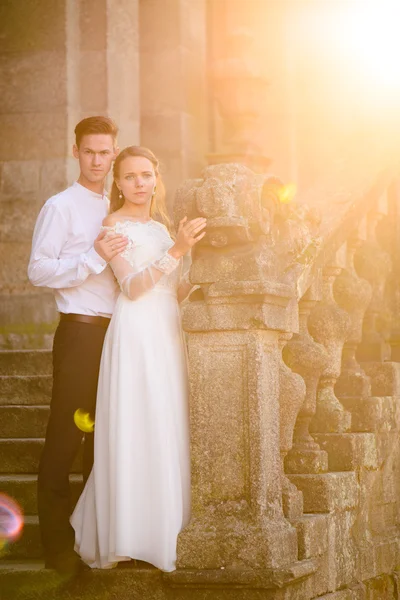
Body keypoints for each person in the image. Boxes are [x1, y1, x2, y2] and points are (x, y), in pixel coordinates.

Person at [70, 146, 206, 572]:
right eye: (130, 176)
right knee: (137, 420)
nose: (140, 183)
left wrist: (193, 271)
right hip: (134, 331)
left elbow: (172, 289)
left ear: (156, 178)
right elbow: (132, 286)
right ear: (118, 182)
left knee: (165, 420)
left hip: (167, 329)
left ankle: (164, 527)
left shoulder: (165, 228)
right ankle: (128, 534)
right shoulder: (112, 225)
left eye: (146, 174)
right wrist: (179, 251)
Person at [27, 116, 129, 577]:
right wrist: (93, 257)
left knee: (104, 444)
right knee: (66, 440)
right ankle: (57, 549)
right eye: (89, 151)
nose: (97, 160)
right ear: (76, 153)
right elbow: (39, 270)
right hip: (81, 333)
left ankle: (95, 543)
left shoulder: (122, 203)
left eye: (104, 152)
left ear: (114, 153)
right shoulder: (60, 206)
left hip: (121, 336)